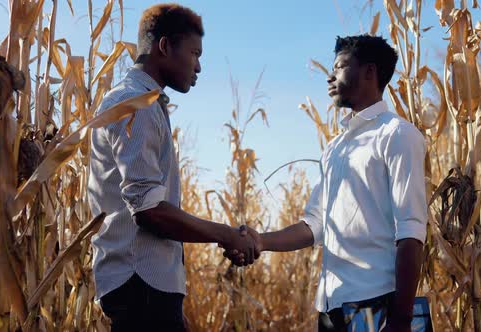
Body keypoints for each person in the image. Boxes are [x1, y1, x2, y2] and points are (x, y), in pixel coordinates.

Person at [226, 34, 428, 332]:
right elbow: (315, 225)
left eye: (340, 66)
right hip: (331, 306)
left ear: (370, 72)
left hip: (377, 303)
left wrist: (401, 319)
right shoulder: (335, 147)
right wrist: (261, 241)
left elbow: (411, 231)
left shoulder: (398, 134)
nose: (330, 77)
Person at [88, 4, 257, 331]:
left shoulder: (140, 103)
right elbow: (149, 211)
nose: (199, 66)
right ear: (164, 47)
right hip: (139, 285)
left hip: (146, 288)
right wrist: (226, 235)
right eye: (194, 53)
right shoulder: (137, 106)